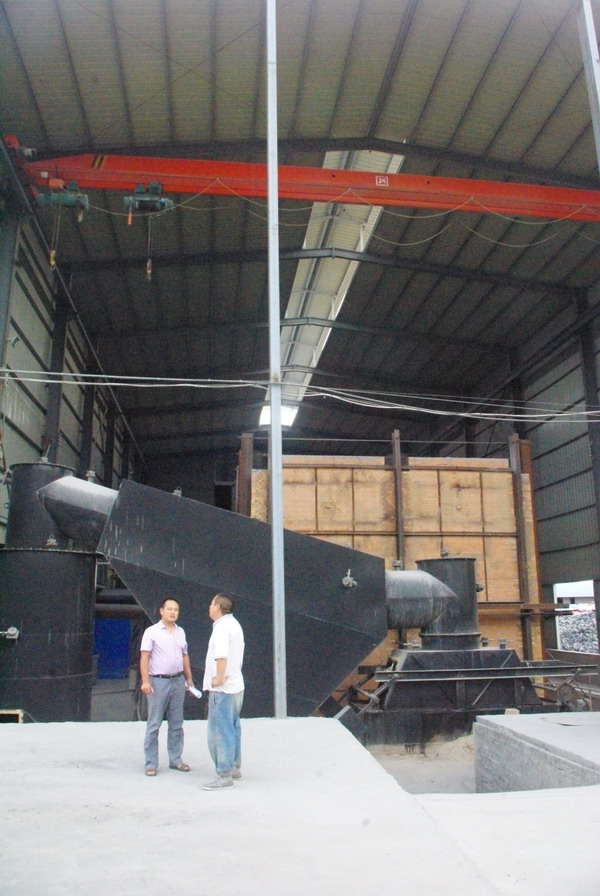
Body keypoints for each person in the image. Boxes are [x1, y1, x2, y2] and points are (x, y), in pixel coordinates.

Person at [140, 597, 195, 776]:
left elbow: (184, 656)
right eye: (169, 609)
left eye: (176, 610)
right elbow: (145, 657)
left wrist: (189, 679)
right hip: (158, 681)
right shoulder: (152, 632)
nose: (173, 612)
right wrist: (145, 681)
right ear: (161, 611)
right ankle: (151, 763)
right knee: (154, 723)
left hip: (178, 681)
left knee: (177, 723)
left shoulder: (181, 632)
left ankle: (176, 759)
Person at [202, 593, 245, 790]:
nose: (209, 607)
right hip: (235, 685)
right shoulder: (234, 625)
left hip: (223, 688)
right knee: (233, 727)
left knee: (220, 730)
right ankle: (234, 767)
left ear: (218, 607)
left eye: (212, 604)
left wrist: (219, 677)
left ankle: (224, 774)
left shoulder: (221, 627)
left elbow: (221, 655)